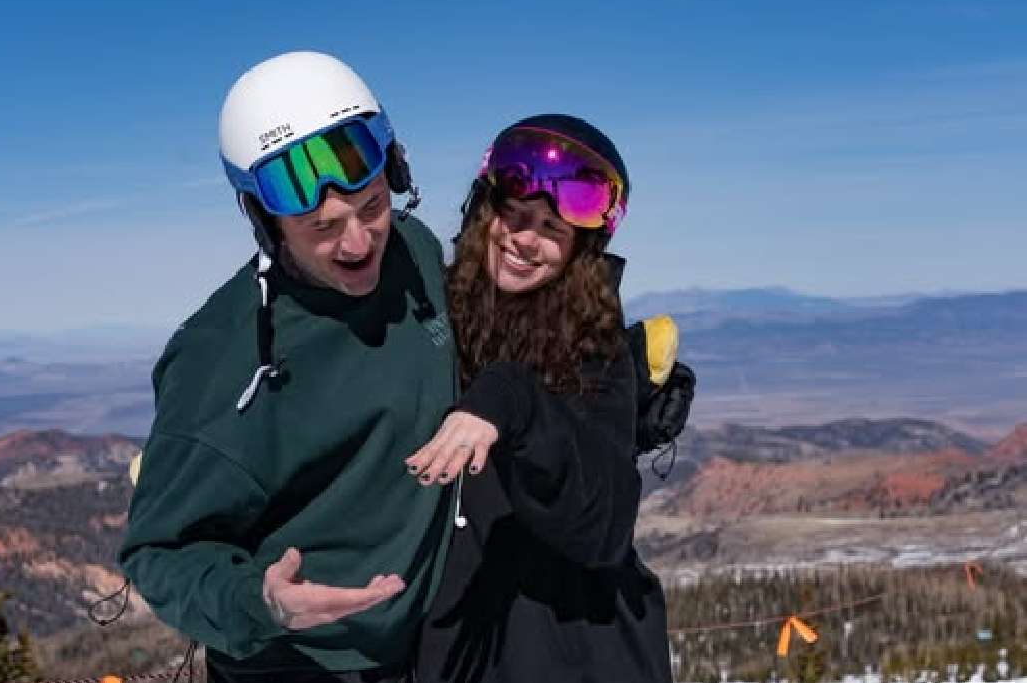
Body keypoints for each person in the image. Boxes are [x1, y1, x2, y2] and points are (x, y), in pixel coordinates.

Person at [117, 51, 458, 682]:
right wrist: (262, 602)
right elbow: (158, 553)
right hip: (301, 665)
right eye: (320, 227)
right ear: (266, 222)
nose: (358, 243)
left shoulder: (416, 253)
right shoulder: (221, 358)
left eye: (373, 206)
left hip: (430, 645)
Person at [408, 115, 687, 683]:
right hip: (453, 652)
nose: (524, 239)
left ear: (581, 247)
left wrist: (515, 401)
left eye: (552, 229)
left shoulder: (594, 350)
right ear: (486, 212)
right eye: (514, 214)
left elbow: (603, 524)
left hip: (575, 654)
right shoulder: (438, 317)